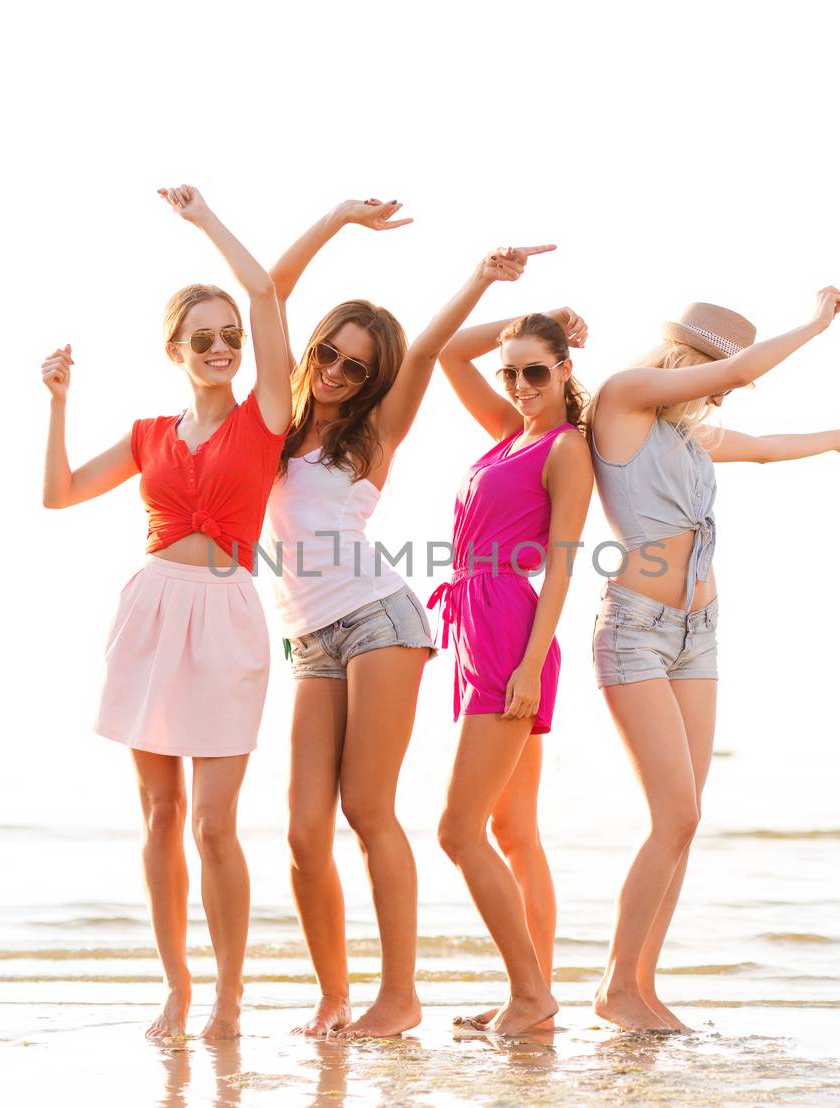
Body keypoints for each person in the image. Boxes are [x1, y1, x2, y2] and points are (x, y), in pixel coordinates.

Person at [267, 204, 553, 1039]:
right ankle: (332, 996)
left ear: (372, 380)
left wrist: (485, 280)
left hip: (378, 621)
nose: (333, 372)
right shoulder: (273, 427)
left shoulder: (373, 432)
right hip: (309, 636)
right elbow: (268, 294)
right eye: (327, 353)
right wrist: (337, 222)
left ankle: (399, 998)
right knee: (301, 828)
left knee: (367, 809)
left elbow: (427, 351)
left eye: (355, 368)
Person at [39, 185, 291, 1040]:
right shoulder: (150, 432)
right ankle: (177, 988)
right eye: (204, 340)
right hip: (150, 612)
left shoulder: (266, 417)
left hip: (225, 617)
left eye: (229, 339)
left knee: (216, 824)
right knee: (160, 816)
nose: (222, 348)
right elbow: (60, 494)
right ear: (175, 350)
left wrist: (204, 219)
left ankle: (229, 993)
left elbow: (266, 296)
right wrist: (59, 403)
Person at [585, 291, 840, 1031]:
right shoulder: (625, 397)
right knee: (672, 813)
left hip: (696, 631)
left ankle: (642, 986)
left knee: (686, 819)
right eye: (712, 375)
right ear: (688, 360)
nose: (717, 391)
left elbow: (768, 447)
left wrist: (832, 437)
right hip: (636, 629)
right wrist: (815, 325)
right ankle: (614, 989)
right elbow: (742, 376)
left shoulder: (686, 435)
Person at [430, 297, 595, 1034]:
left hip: (509, 633)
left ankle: (531, 995)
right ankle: (533, 997)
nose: (521, 384)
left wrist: (529, 666)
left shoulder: (565, 449)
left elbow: (561, 567)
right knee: (514, 831)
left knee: (457, 830)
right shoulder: (506, 434)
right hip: (475, 627)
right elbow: (443, 353)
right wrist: (533, 315)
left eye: (535, 371)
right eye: (511, 372)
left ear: (564, 371)